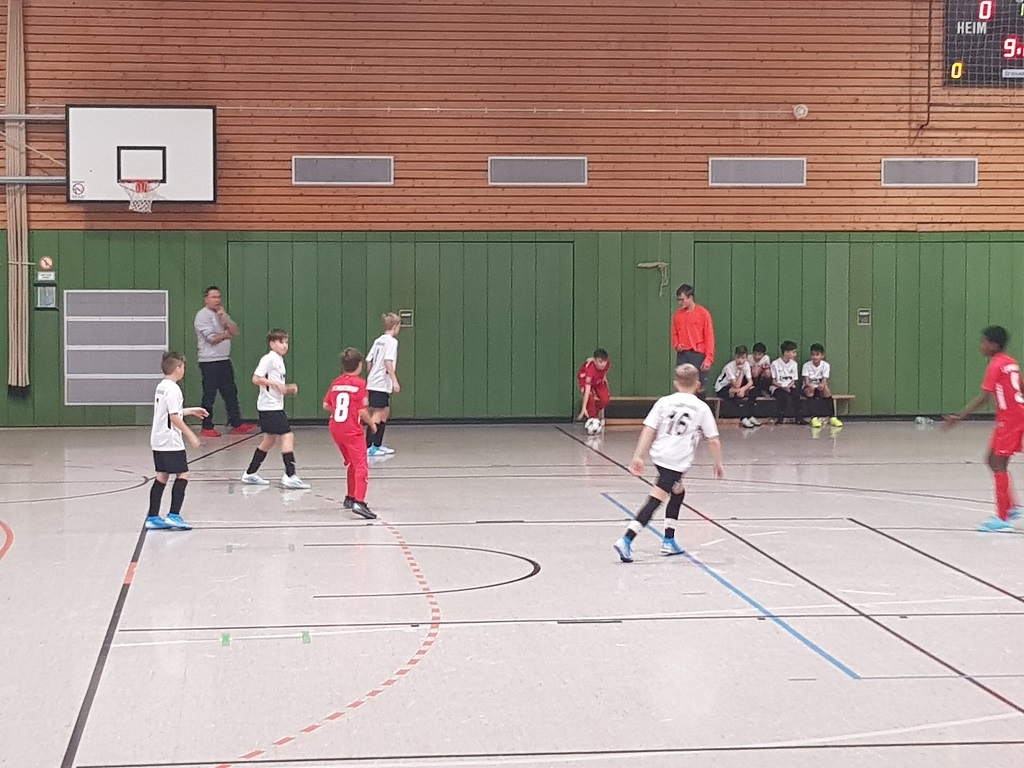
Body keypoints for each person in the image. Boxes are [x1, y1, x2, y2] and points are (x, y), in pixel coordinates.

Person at [613, 364, 724, 563]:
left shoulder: (664, 402)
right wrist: (718, 464)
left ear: (675, 383)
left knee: (678, 492)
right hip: (676, 461)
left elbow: (649, 429)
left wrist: (639, 455)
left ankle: (669, 540)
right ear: (698, 385)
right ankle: (627, 539)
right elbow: (713, 440)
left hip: (660, 456)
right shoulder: (701, 408)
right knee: (656, 499)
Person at [944, 325, 1024, 532]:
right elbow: (1021, 387)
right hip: (1011, 417)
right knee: (991, 459)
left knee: (998, 463)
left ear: (994, 345)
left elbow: (983, 399)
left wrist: (959, 417)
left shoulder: (995, 365)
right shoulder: (1011, 363)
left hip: (1010, 419)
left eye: (984, 342)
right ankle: (1011, 506)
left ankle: (1002, 518)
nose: (981, 345)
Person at [145, 352, 208, 530]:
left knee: (162, 476)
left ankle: (153, 517)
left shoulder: (162, 386)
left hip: (158, 439)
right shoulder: (174, 389)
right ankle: (174, 515)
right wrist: (191, 435)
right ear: (178, 368)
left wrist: (190, 411)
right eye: (183, 367)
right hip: (170, 440)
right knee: (183, 475)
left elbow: (168, 412)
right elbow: (173, 417)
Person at [241, 329, 310, 489]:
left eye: (286, 342)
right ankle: (290, 475)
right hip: (269, 407)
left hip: (273, 405)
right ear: (272, 344)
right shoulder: (269, 359)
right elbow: (256, 378)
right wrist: (274, 384)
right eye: (281, 342)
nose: (284, 345)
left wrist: (288, 388)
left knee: (269, 439)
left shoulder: (279, 360)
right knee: (287, 436)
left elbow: (279, 388)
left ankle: (250, 473)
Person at [193, 286, 256, 438]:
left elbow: (235, 331)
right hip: (209, 361)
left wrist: (224, 318)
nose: (217, 300)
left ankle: (236, 423)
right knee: (209, 394)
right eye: (213, 297)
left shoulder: (221, 314)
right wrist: (226, 334)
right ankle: (207, 426)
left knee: (230, 392)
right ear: (206, 299)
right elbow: (212, 339)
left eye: (219, 297)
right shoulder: (202, 316)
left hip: (224, 359)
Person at [324, 348, 379, 520]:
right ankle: (359, 502)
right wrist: (371, 424)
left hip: (335, 427)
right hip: (351, 429)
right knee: (361, 464)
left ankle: (350, 497)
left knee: (352, 464)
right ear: (359, 365)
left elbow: (326, 405)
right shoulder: (360, 384)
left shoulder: (336, 382)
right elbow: (362, 410)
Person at [365, 313, 402, 457]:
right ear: (395, 326)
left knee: (385, 411)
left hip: (375, 381)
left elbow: (369, 360)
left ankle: (377, 444)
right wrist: (394, 380)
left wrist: (372, 375)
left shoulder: (378, 340)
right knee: (378, 413)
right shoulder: (392, 342)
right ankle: (368, 446)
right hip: (380, 383)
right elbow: (388, 362)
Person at [671, 284, 715, 393]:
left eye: (682, 300)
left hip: (698, 355)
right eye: (678, 300)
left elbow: (709, 337)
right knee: (682, 386)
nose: (680, 303)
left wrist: (708, 359)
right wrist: (677, 344)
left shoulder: (703, 314)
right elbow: (674, 333)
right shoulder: (677, 315)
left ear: (690, 297)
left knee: (699, 388)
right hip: (683, 355)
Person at [714, 345, 760, 427]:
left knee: (753, 391)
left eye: (743, 358)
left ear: (746, 358)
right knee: (737, 393)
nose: (740, 360)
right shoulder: (729, 367)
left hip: (737, 387)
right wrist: (741, 372)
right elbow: (736, 385)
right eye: (738, 357)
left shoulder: (746, 365)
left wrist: (743, 389)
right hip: (722, 388)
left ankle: (750, 416)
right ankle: (743, 418)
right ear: (735, 357)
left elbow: (750, 382)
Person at [802, 343, 842, 428]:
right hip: (809, 387)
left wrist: (822, 385)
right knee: (810, 391)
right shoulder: (806, 365)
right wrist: (812, 386)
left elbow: (825, 380)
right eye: (813, 355)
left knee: (827, 390)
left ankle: (832, 417)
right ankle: (814, 417)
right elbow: (807, 382)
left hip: (820, 386)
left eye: (817, 355)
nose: (815, 357)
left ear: (822, 356)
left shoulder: (826, 365)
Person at [771, 340, 802, 424]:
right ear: (786, 352)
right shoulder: (775, 363)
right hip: (778, 386)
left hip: (790, 386)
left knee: (796, 395)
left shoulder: (794, 364)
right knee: (783, 396)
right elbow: (773, 381)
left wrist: (788, 386)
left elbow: (794, 380)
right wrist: (782, 387)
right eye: (793, 352)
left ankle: (799, 417)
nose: (795, 354)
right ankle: (780, 417)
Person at [577, 348, 612, 423]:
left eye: (605, 361)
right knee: (590, 398)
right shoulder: (590, 371)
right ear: (595, 361)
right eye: (600, 362)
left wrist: (605, 380)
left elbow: (604, 372)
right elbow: (587, 389)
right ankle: (593, 418)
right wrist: (583, 408)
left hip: (598, 380)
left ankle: (594, 409)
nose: (603, 364)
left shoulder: (607, 364)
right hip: (585, 380)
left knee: (605, 399)